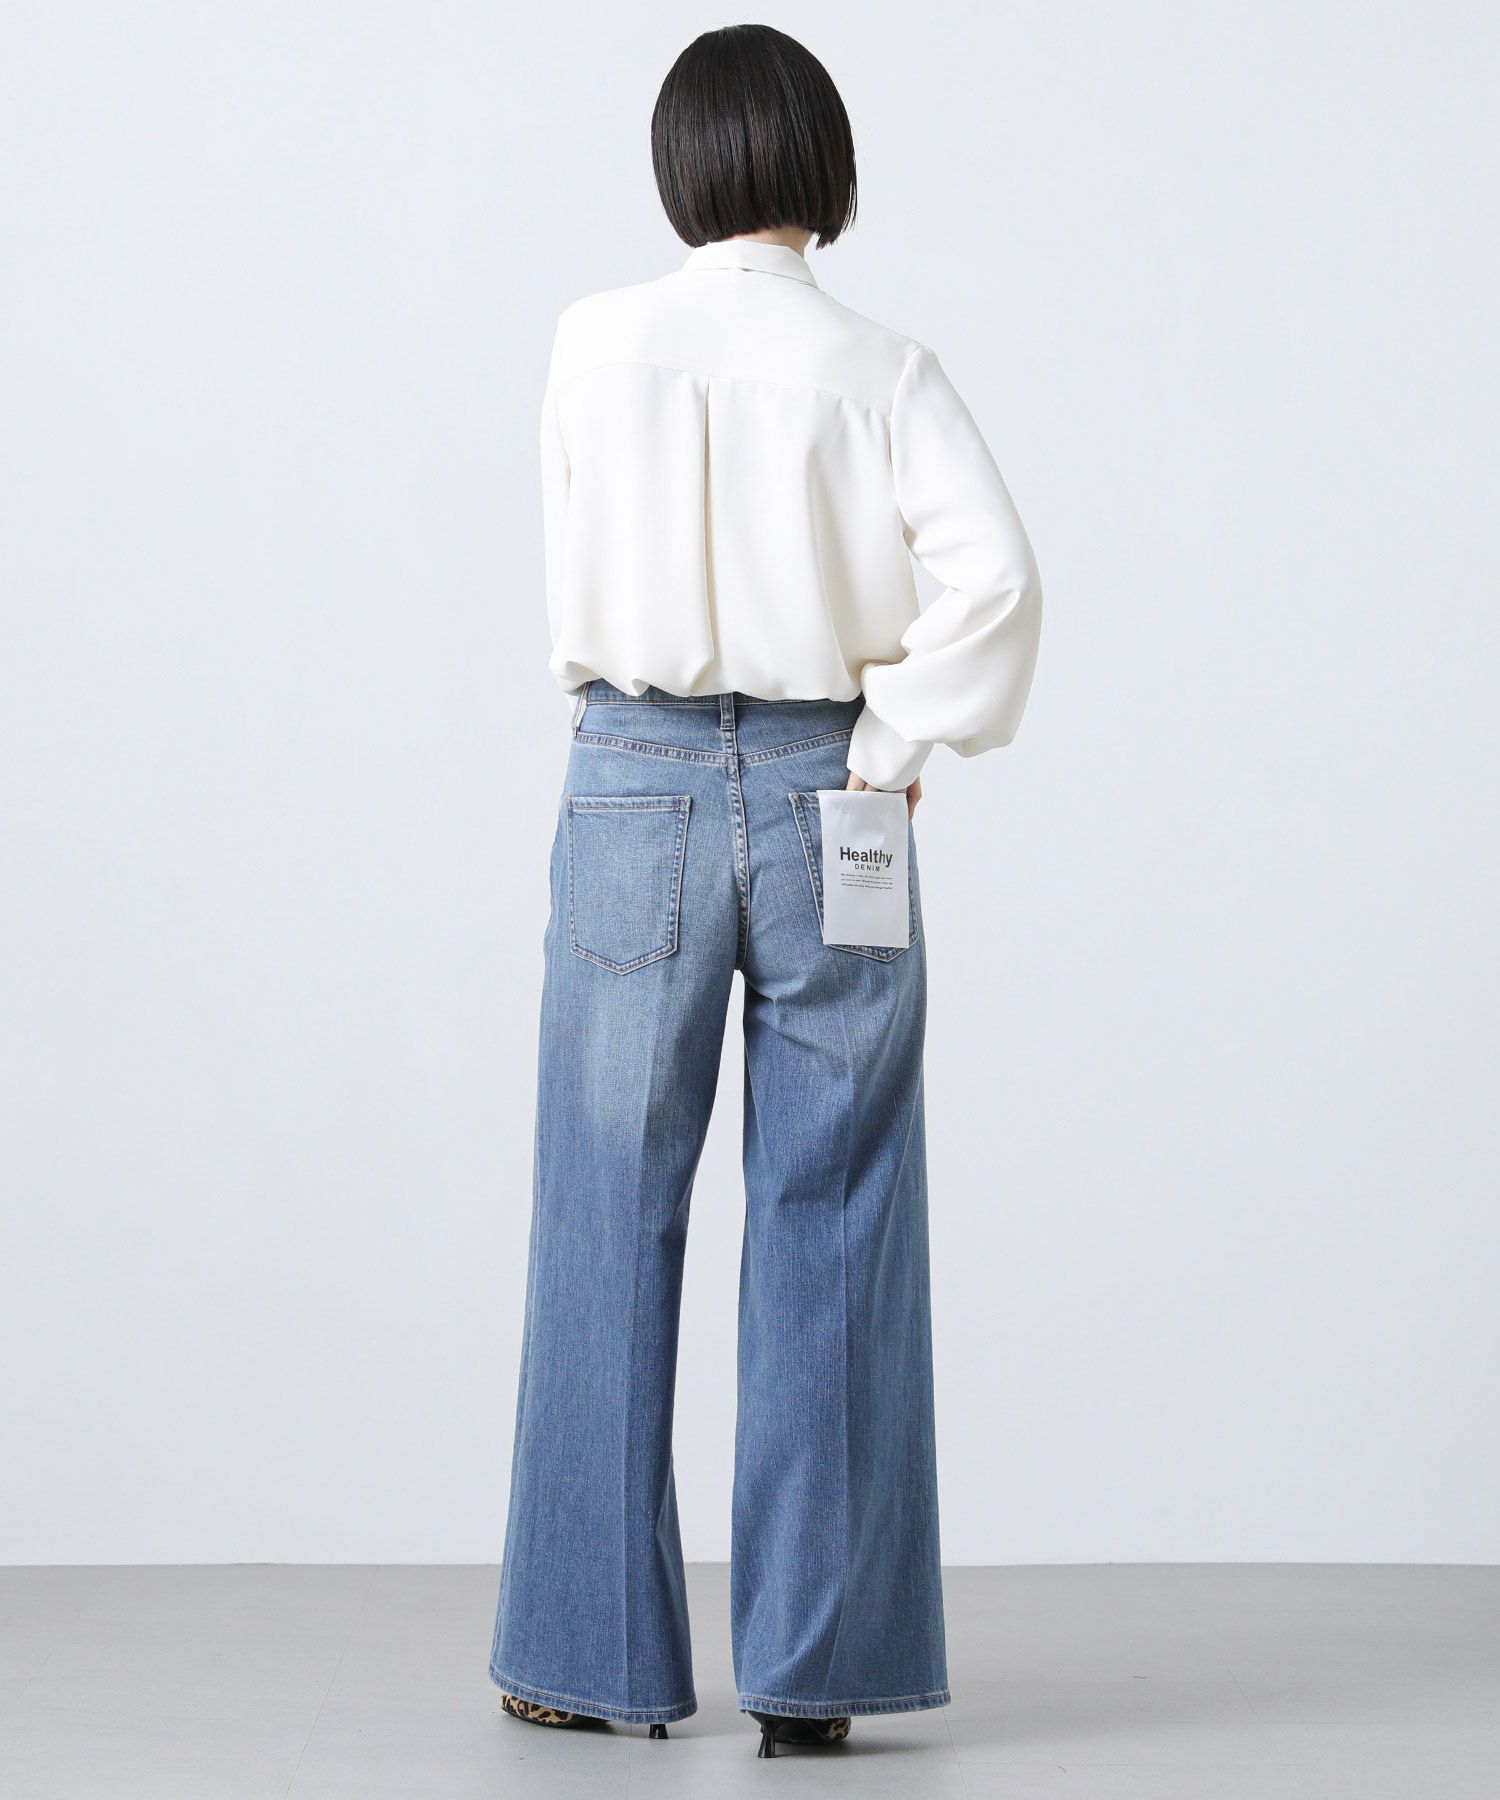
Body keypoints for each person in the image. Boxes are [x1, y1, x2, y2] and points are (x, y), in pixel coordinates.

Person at [488, 22, 1041, 1758]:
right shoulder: (881, 367)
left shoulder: (593, 343)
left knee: (603, 1209)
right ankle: (820, 1676)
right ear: (826, 167)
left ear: (682, 169)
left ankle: (583, 1655)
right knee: (840, 1208)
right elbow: (999, 583)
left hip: (631, 781)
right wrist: (893, 736)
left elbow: (573, 561)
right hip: (831, 798)